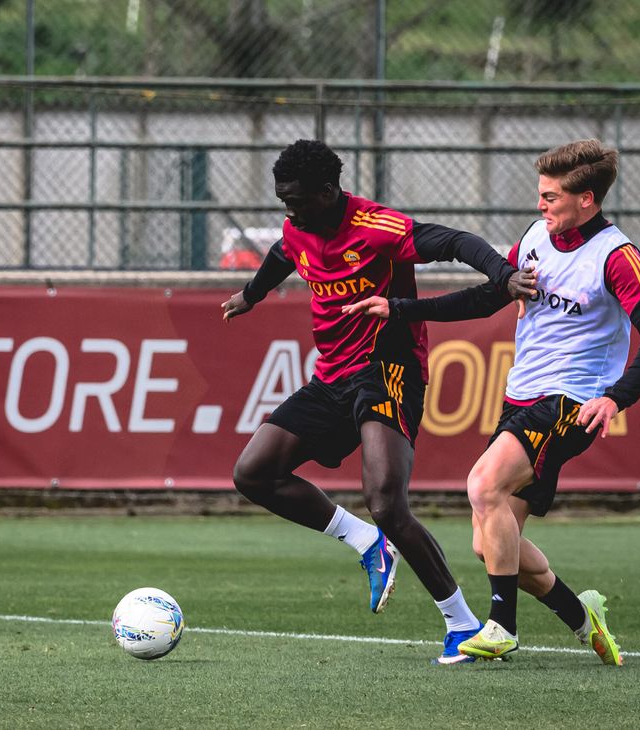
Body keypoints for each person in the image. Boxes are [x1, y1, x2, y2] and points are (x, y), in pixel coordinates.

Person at [343, 139, 640, 665]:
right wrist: (401, 308)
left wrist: (616, 398)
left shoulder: (616, 257)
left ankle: (500, 626)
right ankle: (580, 613)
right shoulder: (536, 238)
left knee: (483, 485)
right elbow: (488, 296)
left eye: (551, 196)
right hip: (520, 396)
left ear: (587, 199)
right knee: (492, 545)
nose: (541, 205)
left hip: (573, 400)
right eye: (540, 195)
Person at [221, 139, 536, 665]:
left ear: (328, 190)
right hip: (331, 377)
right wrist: (252, 295)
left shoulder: (375, 226)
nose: (288, 211)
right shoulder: (299, 226)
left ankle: (462, 623)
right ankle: (368, 542)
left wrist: (503, 276)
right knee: (253, 472)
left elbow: (456, 240)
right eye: (282, 201)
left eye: (296, 200)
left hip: (388, 369)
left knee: (387, 500)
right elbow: (283, 252)